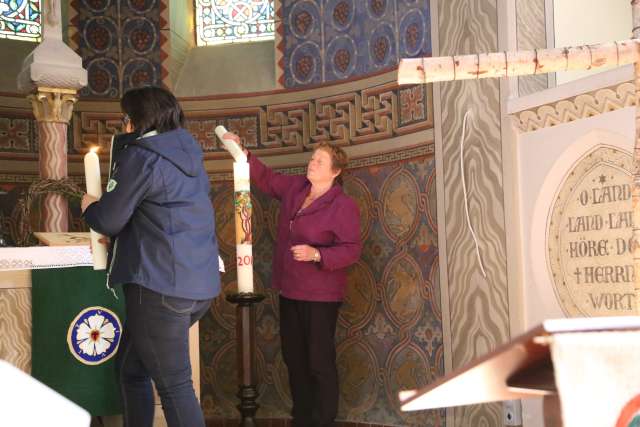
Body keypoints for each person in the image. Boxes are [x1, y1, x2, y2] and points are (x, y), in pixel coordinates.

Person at [81, 86, 220, 427]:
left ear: (135, 120)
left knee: (174, 387)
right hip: (196, 284)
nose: (124, 125)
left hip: (158, 286)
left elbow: (109, 220)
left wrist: (89, 207)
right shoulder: (187, 152)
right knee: (132, 369)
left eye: (125, 118)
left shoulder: (142, 156)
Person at [222, 133, 362, 427]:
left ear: (335, 171)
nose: (311, 163)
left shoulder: (343, 205)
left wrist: (316, 255)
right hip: (290, 290)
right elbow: (267, 178)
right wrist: (242, 151)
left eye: (319, 161)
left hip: (321, 296)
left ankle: (323, 421)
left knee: (318, 362)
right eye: (312, 158)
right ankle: (302, 419)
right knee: (294, 360)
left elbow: (351, 250)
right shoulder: (297, 187)